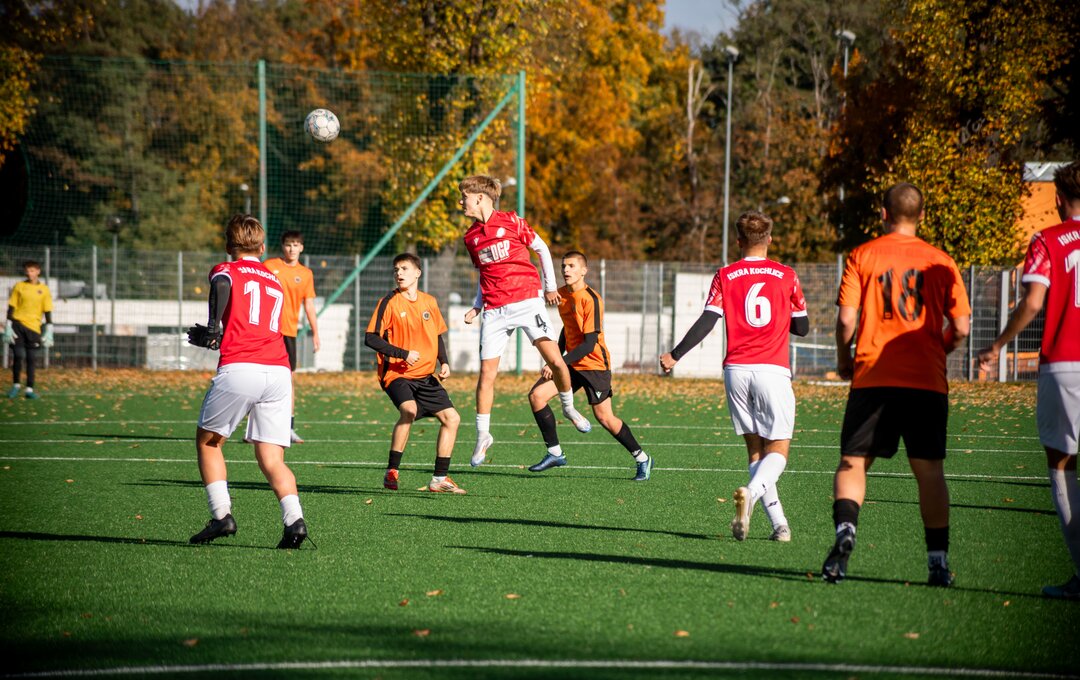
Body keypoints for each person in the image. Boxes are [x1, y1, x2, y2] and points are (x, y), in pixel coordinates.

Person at [823, 182, 970, 586]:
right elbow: (961, 327)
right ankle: (937, 563)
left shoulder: (863, 255)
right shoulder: (941, 261)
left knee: (853, 462)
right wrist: (938, 349)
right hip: (926, 382)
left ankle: (846, 531)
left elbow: (846, 320)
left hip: (873, 376)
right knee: (930, 472)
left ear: (883, 213)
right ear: (921, 215)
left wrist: (844, 358)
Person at [660, 211, 808, 542]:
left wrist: (675, 355)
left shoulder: (725, 275)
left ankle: (780, 526)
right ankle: (751, 494)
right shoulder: (787, 275)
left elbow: (707, 320)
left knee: (756, 451)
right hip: (772, 369)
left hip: (736, 371)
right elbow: (802, 327)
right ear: (770, 239)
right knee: (778, 450)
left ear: (739, 241)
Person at [977, 161, 1080, 599]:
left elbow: (1033, 302)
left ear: (1057, 198)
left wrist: (999, 344)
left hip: (1065, 365)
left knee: (1062, 465)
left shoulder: (1047, 240)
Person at [186, 214, 310, 549]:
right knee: (272, 458)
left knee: (209, 442)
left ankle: (221, 515)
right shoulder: (274, 279)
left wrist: (213, 328)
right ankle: (295, 521)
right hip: (279, 371)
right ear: (263, 247)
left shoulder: (226, 269)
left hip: (242, 367)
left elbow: (222, 284)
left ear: (229, 245)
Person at [458, 175, 591, 467]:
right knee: (486, 374)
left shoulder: (512, 221)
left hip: (527, 301)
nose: (461, 202)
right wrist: (477, 306)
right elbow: (484, 275)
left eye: (464, 197)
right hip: (494, 310)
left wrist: (550, 287)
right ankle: (483, 435)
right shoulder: (470, 237)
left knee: (556, 361)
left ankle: (568, 407)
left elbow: (542, 249)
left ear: (479, 198)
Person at [527, 251, 653, 481]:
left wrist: (558, 362)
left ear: (583, 271)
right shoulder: (562, 295)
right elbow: (567, 329)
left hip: (594, 365)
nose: (566, 270)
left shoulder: (591, 299)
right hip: (570, 363)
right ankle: (555, 453)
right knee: (537, 396)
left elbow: (589, 343)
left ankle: (642, 457)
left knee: (605, 418)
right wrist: (556, 358)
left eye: (571, 266)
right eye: (563, 266)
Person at [365, 253, 465, 494]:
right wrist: (402, 353)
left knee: (452, 419)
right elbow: (370, 338)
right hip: (397, 374)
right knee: (409, 411)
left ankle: (439, 478)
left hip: (426, 376)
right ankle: (392, 470)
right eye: (396, 269)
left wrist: (444, 362)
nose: (399, 273)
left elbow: (436, 335)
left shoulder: (429, 301)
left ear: (417, 273)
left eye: (404, 269)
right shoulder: (389, 302)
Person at [263, 231, 321, 443]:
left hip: (288, 333)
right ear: (282, 246)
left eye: (296, 244)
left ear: (301, 248)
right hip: (267, 331)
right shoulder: (269, 266)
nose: (292, 248)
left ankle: (288, 427)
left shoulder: (305, 274)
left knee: (288, 380)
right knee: (262, 377)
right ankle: (256, 427)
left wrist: (315, 332)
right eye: (288, 244)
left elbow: (309, 304)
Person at [4, 260, 54, 400]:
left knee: (31, 359)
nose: (29, 273)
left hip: (34, 328)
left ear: (38, 271)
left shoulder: (44, 289)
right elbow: (12, 306)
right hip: (18, 325)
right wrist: (8, 325)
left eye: (32, 270)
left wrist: (49, 329)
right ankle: (16, 385)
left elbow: (47, 310)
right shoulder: (19, 286)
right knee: (18, 355)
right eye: (27, 270)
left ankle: (29, 389)